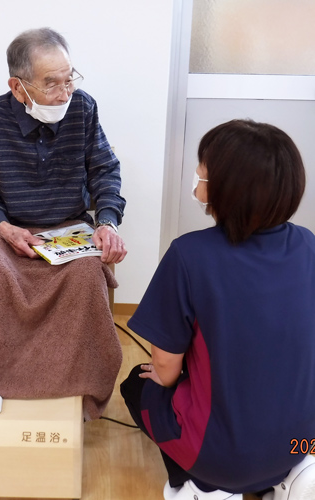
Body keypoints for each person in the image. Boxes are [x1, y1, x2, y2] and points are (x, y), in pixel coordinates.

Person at [121, 119, 315, 499]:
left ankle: (199, 487)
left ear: (228, 190)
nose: (196, 182)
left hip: (222, 459)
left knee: (136, 385)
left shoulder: (189, 255)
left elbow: (164, 369)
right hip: (301, 440)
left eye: (202, 175)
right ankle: (293, 471)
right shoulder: (309, 245)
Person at [0, 28, 127, 419]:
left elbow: (105, 170)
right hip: (4, 230)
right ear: (18, 86)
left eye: (70, 77)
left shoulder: (83, 108)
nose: (65, 92)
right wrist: (2, 225)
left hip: (67, 228)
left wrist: (106, 222)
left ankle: (76, 387)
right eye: (51, 83)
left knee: (85, 274)